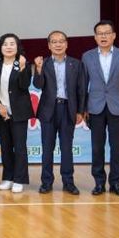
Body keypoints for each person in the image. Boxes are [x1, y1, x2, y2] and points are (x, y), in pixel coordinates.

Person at [82, 20, 119, 197]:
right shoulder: (87, 56)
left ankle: (116, 183)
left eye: (107, 33)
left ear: (114, 35)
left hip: (117, 107)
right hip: (95, 107)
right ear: (95, 37)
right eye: (100, 33)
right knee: (97, 147)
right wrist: (83, 108)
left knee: (117, 148)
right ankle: (99, 183)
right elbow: (83, 84)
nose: (103, 36)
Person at [33, 30, 87, 195]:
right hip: (48, 110)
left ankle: (68, 182)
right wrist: (38, 69)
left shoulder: (76, 64)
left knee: (66, 148)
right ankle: (46, 182)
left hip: (68, 109)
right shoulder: (43, 63)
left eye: (61, 41)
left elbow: (81, 90)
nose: (58, 44)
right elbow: (38, 85)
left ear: (67, 44)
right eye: (54, 42)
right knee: (47, 148)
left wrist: (80, 111)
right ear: (49, 45)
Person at [0, 33, 34, 194]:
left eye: (12, 44)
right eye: (5, 44)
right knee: (5, 146)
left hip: (19, 112)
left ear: (17, 47)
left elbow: (24, 85)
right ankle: (8, 177)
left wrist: (22, 68)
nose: (8, 47)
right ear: (0, 48)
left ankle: (19, 179)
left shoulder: (23, 64)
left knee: (20, 147)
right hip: (0, 112)